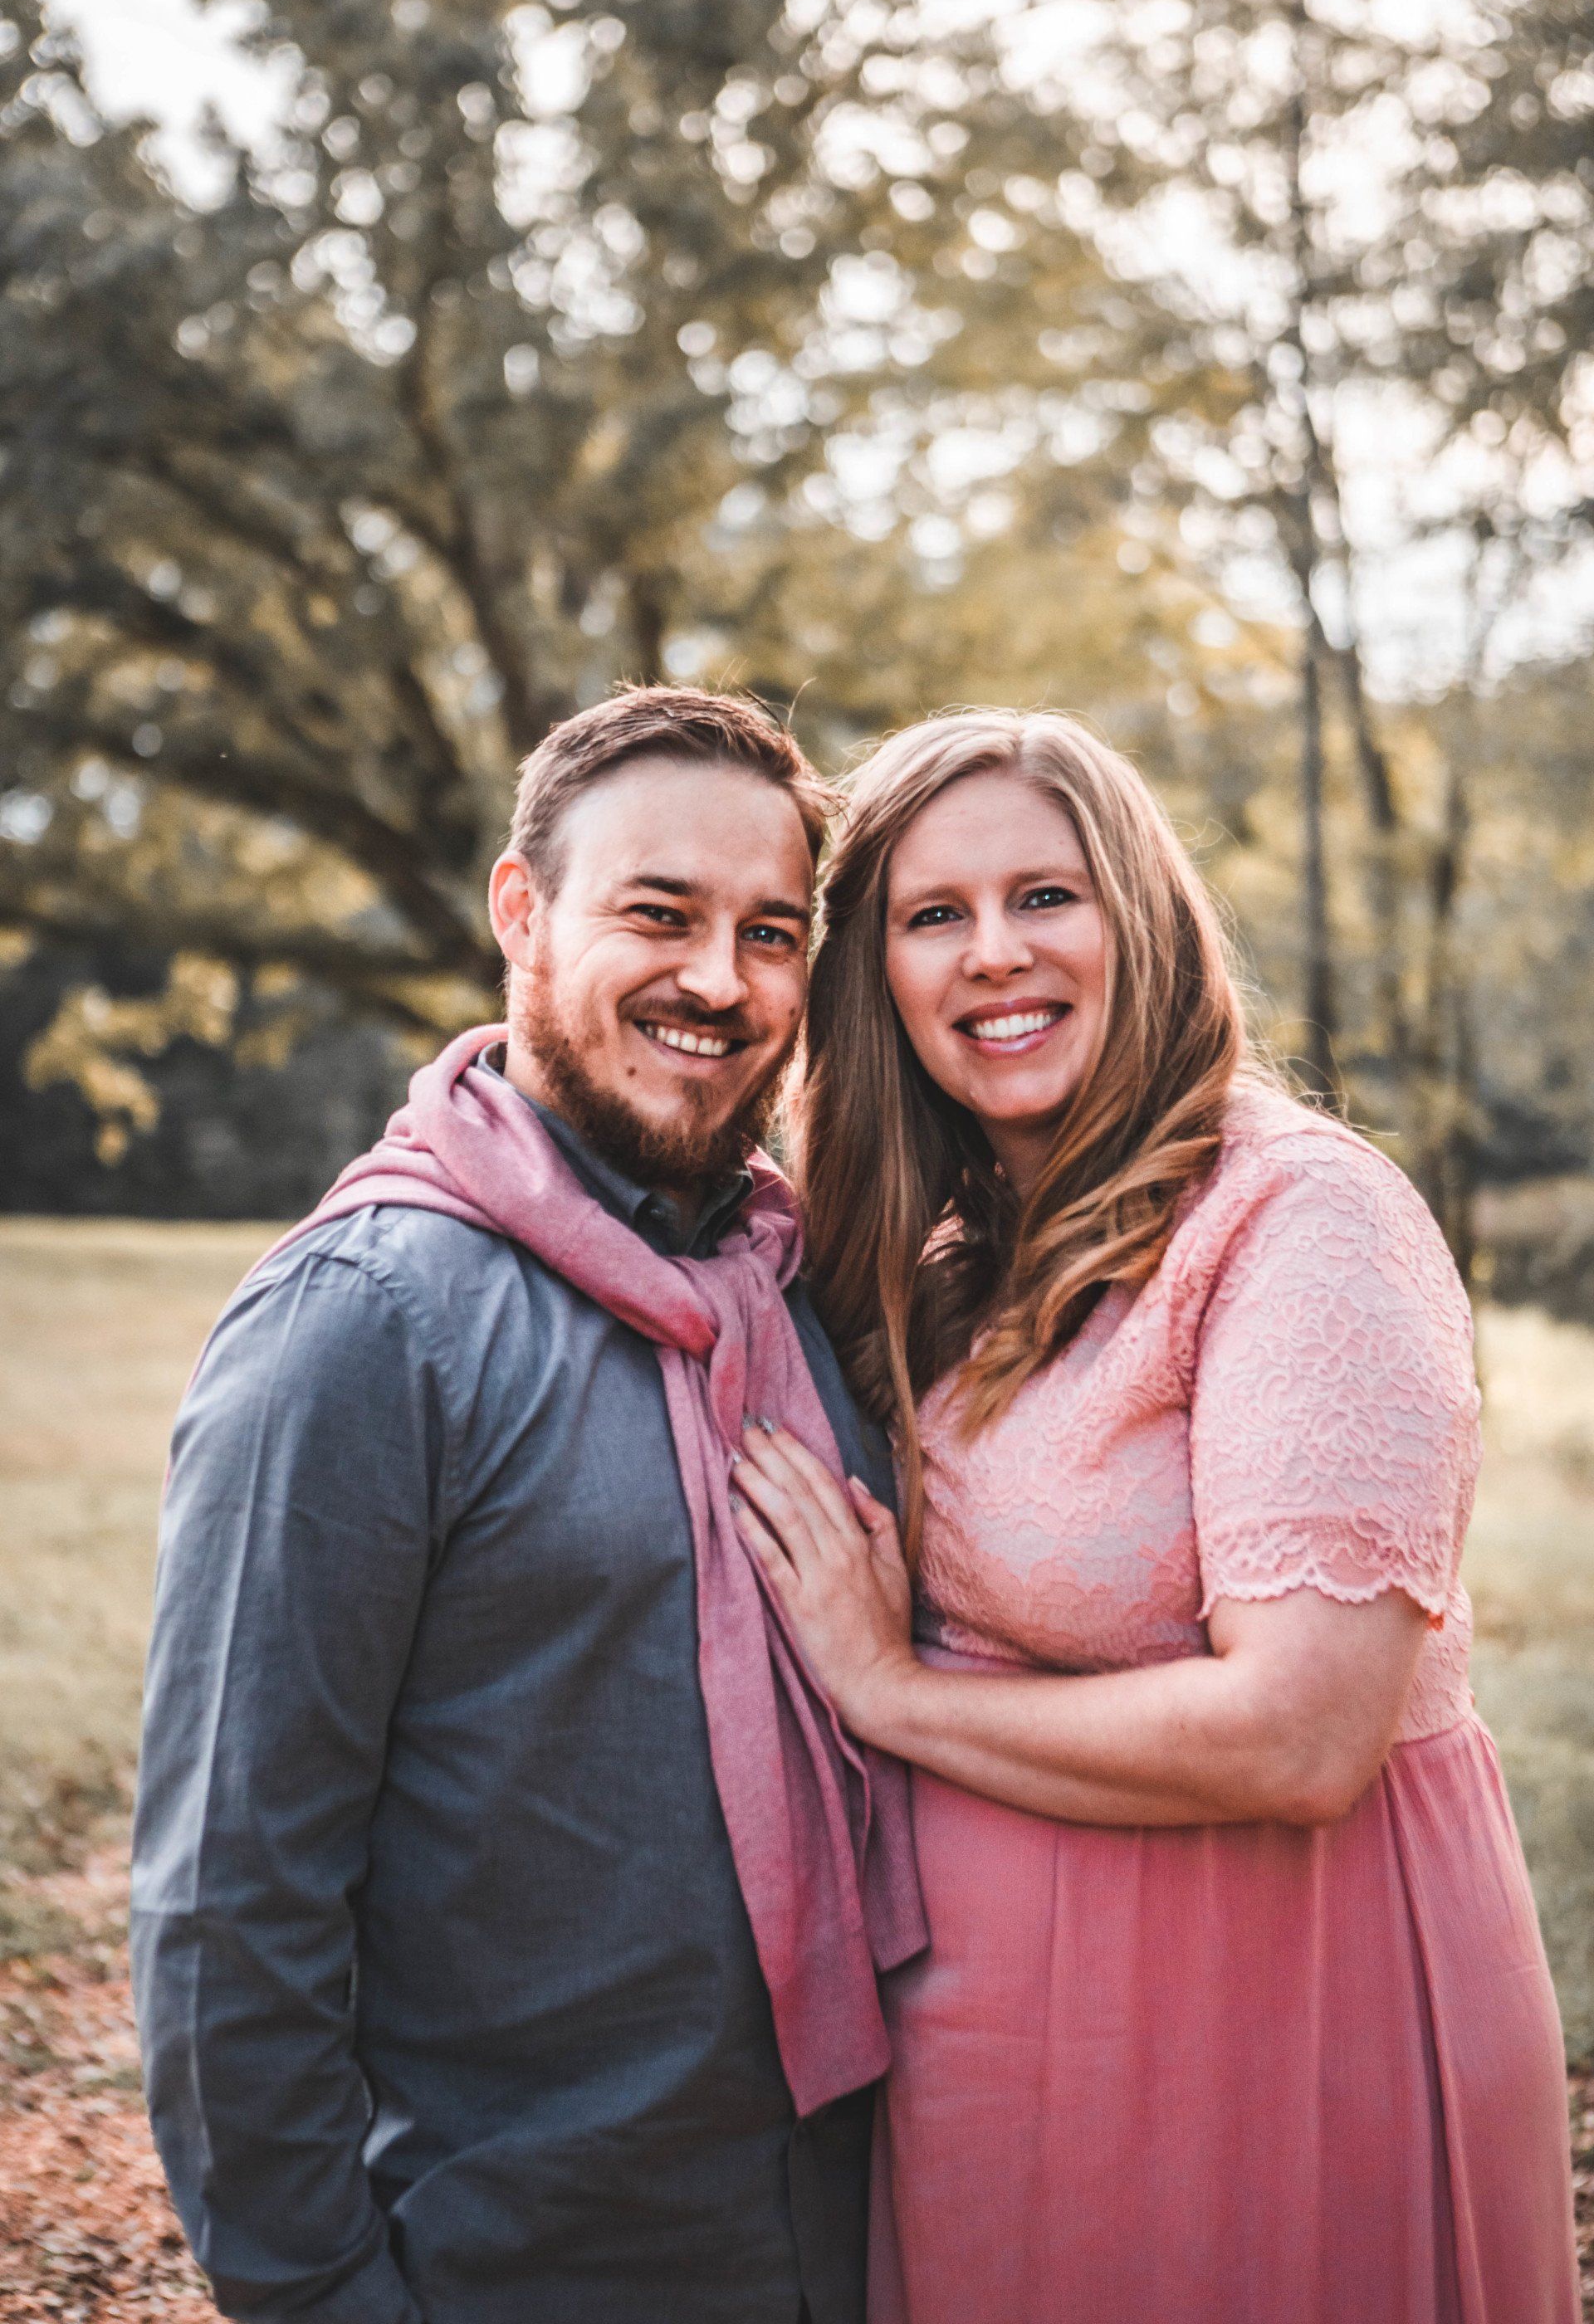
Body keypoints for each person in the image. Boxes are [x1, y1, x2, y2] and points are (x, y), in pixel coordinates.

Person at [729, 709, 1580, 2324]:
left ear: (1141, 915)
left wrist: (888, 1692)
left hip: (1274, 2015)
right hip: (996, 2059)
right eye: (932, 915)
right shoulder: (939, 1240)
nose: (993, 954)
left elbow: (1302, 1736)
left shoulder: (1297, 1216)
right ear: (878, 975)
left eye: (1044, 897)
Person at [132, 685, 925, 2324]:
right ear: (521, 911)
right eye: (660, 914)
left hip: (860, 2234)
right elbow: (231, 1906)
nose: (719, 980)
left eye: (771, 932)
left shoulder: (801, 1294)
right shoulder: (365, 1324)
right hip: (522, 2261)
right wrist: (325, 2296)